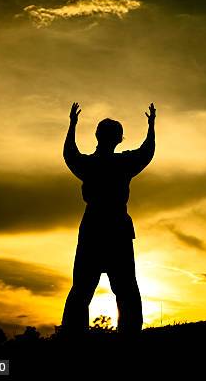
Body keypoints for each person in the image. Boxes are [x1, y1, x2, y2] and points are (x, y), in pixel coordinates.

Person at [61, 101, 156, 334]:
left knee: (83, 290)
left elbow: (69, 154)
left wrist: (72, 125)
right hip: (115, 229)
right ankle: (129, 335)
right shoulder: (122, 164)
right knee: (124, 290)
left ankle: (73, 337)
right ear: (119, 139)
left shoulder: (89, 164)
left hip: (94, 228)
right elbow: (146, 152)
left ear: (97, 136)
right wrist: (151, 126)